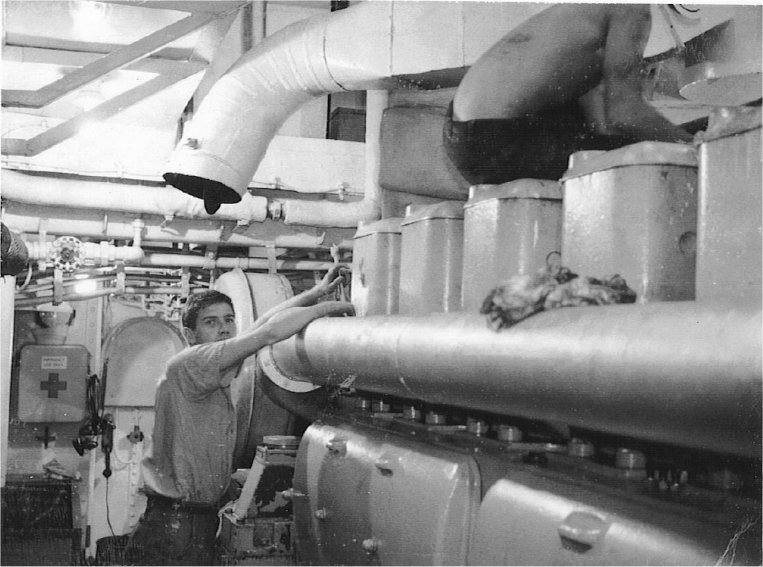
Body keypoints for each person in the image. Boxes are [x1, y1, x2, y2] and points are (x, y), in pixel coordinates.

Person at [124, 265, 353, 565]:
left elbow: (262, 325)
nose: (224, 328)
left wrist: (316, 292)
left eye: (229, 320)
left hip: (186, 520)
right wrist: (328, 309)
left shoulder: (210, 363)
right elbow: (268, 333)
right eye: (211, 322)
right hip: (179, 526)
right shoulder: (194, 361)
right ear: (190, 334)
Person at [443, 4, 694, 185]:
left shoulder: (580, 23)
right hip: (496, 138)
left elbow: (601, 128)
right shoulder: (631, 9)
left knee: (625, 148)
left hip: (463, 138)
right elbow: (625, 114)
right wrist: (694, 146)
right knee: (652, 158)